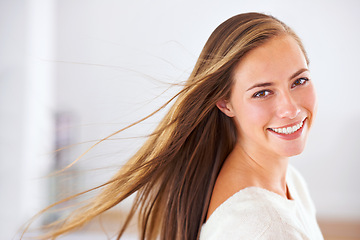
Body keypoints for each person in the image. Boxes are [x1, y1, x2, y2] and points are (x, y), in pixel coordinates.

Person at [26, 12, 323, 239]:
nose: (291, 108)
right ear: (225, 102)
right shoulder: (262, 227)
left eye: (299, 81)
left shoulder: (290, 183)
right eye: (262, 92)